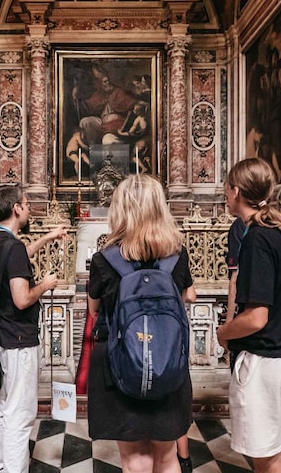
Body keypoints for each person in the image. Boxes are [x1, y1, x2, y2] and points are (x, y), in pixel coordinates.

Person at [87, 174, 196, 473]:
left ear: (119, 209)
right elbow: (187, 297)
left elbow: (94, 309)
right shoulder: (177, 254)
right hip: (168, 361)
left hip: (121, 363)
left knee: (135, 460)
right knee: (167, 456)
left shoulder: (104, 259)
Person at [216, 158, 281, 473]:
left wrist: (224, 332)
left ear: (237, 191)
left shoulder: (257, 237)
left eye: (227, 188)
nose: (225, 195)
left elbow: (257, 317)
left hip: (267, 362)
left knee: (267, 459)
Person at [0, 185, 68, 473]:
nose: (29, 207)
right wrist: (45, 284)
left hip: (2, 335)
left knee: (4, 408)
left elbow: (17, 257)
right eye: (26, 202)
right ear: (16, 208)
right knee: (20, 415)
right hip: (19, 340)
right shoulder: (13, 247)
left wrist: (47, 237)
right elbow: (22, 299)